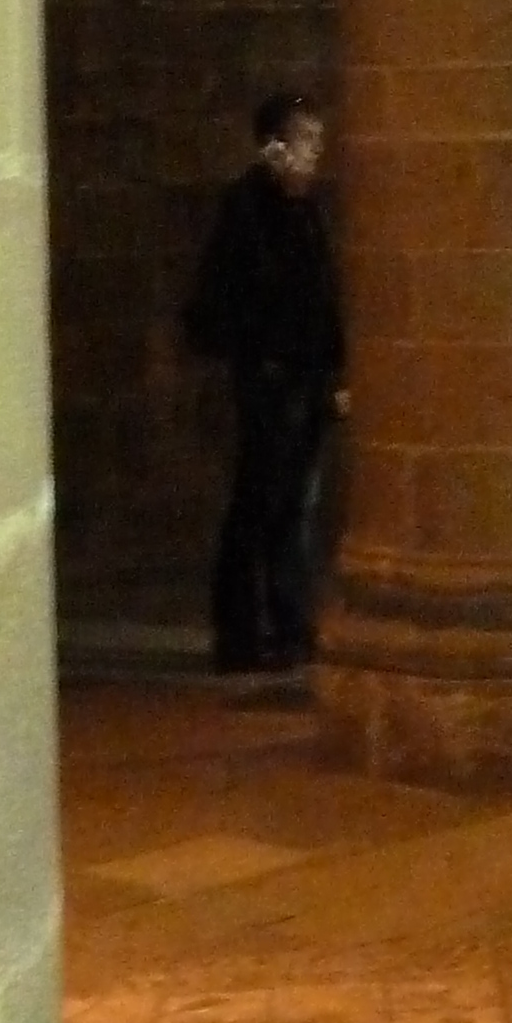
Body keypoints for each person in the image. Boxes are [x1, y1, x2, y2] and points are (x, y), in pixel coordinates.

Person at [182, 93, 345, 679]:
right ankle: (245, 634)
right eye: (304, 141)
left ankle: (288, 625)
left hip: (304, 379)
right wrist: (270, 357)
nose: (314, 154)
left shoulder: (305, 210)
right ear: (274, 147)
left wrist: (334, 370)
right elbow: (237, 299)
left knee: (293, 508)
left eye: (316, 142)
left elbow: (321, 296)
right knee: (261, 505)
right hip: (270, 379)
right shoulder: (248, 209)